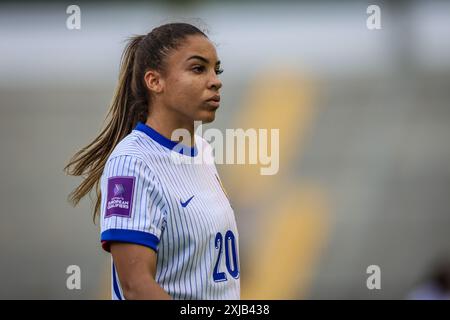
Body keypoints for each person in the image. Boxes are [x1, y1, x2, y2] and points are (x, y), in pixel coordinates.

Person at [64, 23, 240, 300]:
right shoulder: (132, 163)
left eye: (216, 70)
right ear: (154, 81)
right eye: (198, 68)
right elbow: (136, 288)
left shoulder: (203, 150)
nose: (215, 80)